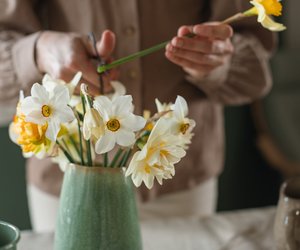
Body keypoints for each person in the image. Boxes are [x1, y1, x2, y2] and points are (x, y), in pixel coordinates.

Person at [0, 0, 274, 231]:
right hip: (69, 184)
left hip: (178, 179)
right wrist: (39, 51)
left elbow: (255, 60)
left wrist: (217, 61)